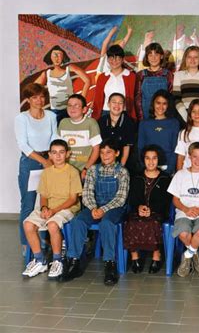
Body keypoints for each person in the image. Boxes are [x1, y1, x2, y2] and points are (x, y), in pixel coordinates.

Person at [61, 139, 130, 285]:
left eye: (109, 152)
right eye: (102, 152)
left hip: (114, 209)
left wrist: (103, 210)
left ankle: (110, 264)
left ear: (117, 153)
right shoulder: (93, 170)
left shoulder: (122, 172)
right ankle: (74, 261)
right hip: (94, 207)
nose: (105, 156)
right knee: (78, 221)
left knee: (107, 223)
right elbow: (87, 193)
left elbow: (121, 197)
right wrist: (93, 208)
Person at [22, 140, 82, 279]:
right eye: (54, 153)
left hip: (67, 208)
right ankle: (39, 260)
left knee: (52, 224)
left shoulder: (72, 172)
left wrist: (53, 211)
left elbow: (73, 199)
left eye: (61, 152)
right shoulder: (46, 173)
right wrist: (44, 208)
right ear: (49, 155)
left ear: (67, 154)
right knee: (28, 224)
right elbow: (43, 195)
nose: (58, 156)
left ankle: (57, 260)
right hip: (49, 206)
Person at [15, 83, 58, 254]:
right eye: (34, 97)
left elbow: (55, 137)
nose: (39, 100)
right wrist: (43, 160)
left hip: (50, 159)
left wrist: (50, 158)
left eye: (41, 96)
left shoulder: (51, 116)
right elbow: (23, 144)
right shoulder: (21, 118)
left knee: (48, 202)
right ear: (28, 100)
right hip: (30, 162)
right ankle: (26, 243)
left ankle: (46, 238)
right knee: (28, 203)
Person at [167, 142, 199, 277]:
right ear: (189, 157)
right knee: (184, 233)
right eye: (194, 156)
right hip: (184, 211)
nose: (197, 160)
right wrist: (185, 209)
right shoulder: (180, 175)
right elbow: (175, 200)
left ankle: (187, 255)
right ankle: (195, 253)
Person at [124, 145, 171, 274]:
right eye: (147, 158)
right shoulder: (136, 177)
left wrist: (153, 209)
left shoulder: (165, 178)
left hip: (158, 212)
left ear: (159, 159)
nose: (151, 162)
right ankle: (135, 258)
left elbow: (166, 200)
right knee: (132, 222)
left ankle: (156, 256)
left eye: (154, 158)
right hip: (137, 211)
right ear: (143, 160)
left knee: (153, 222)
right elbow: (132, 198)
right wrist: (139, 207)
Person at [35, 45, 90, 123]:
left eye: (59, 55)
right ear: (50, 57)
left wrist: (81, 100)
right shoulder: (46, 73)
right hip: (54, 111)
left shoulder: (69, 68)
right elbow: (33, 88)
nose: (57, 57)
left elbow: (87, 80)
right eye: (54, 55)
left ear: (63, 57)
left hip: (70, 110)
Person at [58, 94, 102, 179]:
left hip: (84, 171)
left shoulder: (91, 123)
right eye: (69, 105)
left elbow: (96, 150)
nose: (72, 108)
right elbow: (58, 147)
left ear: (84, 109)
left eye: (76, 106)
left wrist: (86, 169)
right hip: (65, 170)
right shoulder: (63, 123)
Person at [137, 90, 180, 174]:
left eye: (164, 103)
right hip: (149, 166)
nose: (161, 106)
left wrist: (169, 168)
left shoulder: (174, 123)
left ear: (168, 105)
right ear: (153, 103)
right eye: (158, 103)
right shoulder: (144, 123)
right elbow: (140, 147)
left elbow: (175, 148)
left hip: (167, 167)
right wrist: (144, 166)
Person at [92, 45, 137, 121]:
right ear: (108, 59)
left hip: (124, 112)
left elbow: (135, 97)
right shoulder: (102, 77)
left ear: (122, 59)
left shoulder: (131, 76)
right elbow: (97, 99)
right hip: (105, 113)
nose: (114, 61)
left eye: (117, 58)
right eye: (111, 58)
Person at [172, 46, 199, 122]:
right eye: (189, 57)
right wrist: (186, 116)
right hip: (183, 115)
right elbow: (176, 98)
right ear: (185, 59)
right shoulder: (178, 75)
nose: (192, 60)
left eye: (196, 57)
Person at [134, 42, 173, 121]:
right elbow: (138, 98)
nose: (153, 58)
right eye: (150, 55)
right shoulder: (141, 75)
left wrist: (168, 117)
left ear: (161, 56)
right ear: (147, 58)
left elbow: (171, 97)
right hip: (146, 116)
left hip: (163, 116)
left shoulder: (168, 74)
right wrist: (141, 119)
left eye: (156, 55)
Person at [98, 93, 136, 167]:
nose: (117, 105)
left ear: (124, 106)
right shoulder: (101, 121)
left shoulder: (129, 122)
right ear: (108, 104)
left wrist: (120, 168)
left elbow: (126, 147)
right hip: (103, 162)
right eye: (114, 102)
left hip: (122, 162)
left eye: (120, 103)